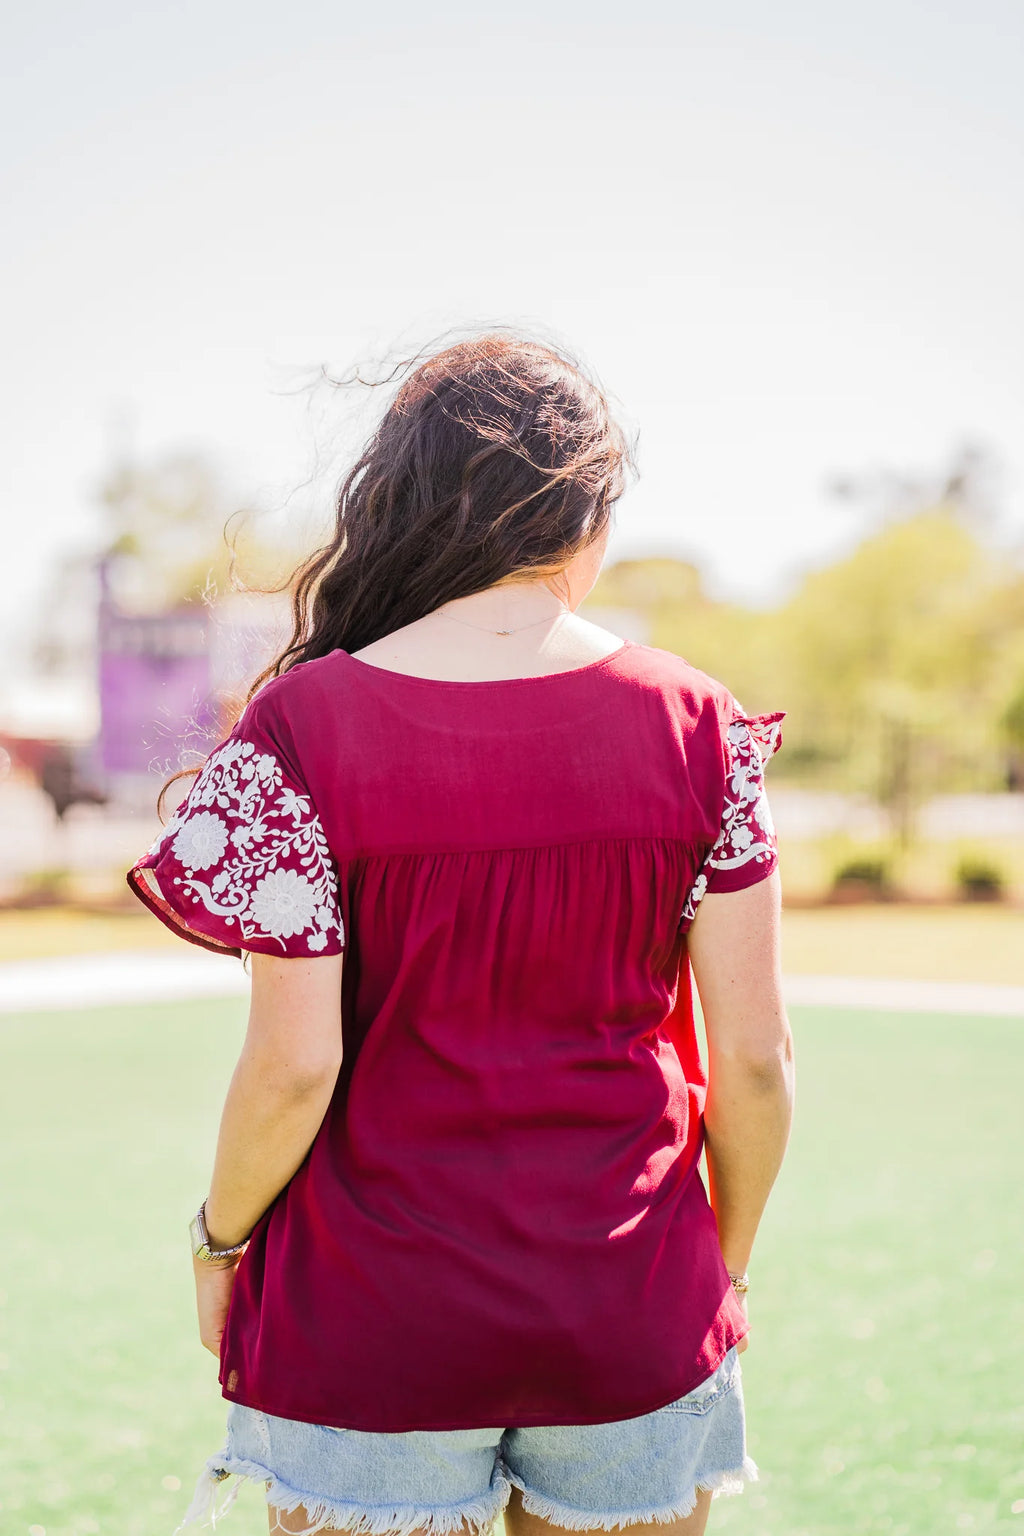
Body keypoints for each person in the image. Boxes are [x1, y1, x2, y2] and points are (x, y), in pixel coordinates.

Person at [126, 330, 795, 1536]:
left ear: (409, 504)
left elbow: (292, 1066)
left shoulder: (299, 727)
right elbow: (753, 1062)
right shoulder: (702, 723)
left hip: (368, 1313)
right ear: (586, 519)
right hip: (629, 1294)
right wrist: (719, 1268)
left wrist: (216, 1245)